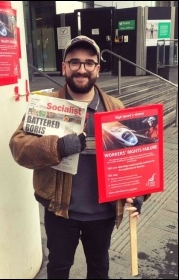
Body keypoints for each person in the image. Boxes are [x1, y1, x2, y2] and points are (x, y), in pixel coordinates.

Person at [9, 35, 150, 279]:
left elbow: (135, 157)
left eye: (89, 63)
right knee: (59, 269)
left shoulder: (116, 107)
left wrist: (137, 192)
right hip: (60, 211)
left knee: (99, 269)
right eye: (74, 62)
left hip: (103, 214)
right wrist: (58, 147)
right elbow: (19, 148)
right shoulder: (46, 105)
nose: (81, 69)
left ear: (98, 68)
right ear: (64, 67)